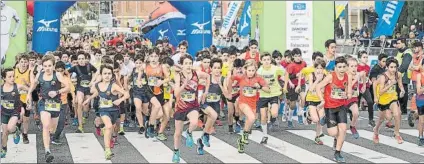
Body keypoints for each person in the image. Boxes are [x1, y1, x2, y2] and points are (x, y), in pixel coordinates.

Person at [172, 55, 216, 162]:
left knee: (194, 122)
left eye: (190, 63)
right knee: (177, 133)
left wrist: (206, 91)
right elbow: (176, 93)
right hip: (181, 107)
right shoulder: (179, 76)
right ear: (182, 65)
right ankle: (176, 152)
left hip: (193, 105)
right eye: (186, 63)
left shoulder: (196, 73)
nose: (188, 66)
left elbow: (208, 76)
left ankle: (189, 132)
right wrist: (185, 84)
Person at [26, 54, 70, 163]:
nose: (47, 68)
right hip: (44, 103)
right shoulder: (40, 75)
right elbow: (33, 84)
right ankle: (47, 151)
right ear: (42, 66)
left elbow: (68, 87)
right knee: (45, 125)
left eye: (50, 66)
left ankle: (49, 137)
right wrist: (28, 94)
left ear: (53, 66)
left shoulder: (58, 75)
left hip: (56, 105)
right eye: (45, 66)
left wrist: (57, 92)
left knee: (52, 129)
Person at [83, 64, 129, 160]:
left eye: (109, 73)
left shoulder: (114, 85)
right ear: (101, 75)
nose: (107, 75)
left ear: (112, 75)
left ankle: (108, 137)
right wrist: (88, 99)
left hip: (115, 110)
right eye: (105, 73)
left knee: (113, 127)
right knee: (108, 126)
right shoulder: (98, 85)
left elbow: (126, 94)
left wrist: (120, 100)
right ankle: (107, 150)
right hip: (103, 110)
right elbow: (97, 92)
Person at [227, 60, 270, 154]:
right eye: (249, 70)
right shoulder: (241, 77)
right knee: (252, 118)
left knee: (250, 121)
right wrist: (229, 92)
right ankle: (244, 135)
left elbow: (268, 90)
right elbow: (230, 79)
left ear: (256, 70)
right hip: (243, 102)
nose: (251, 72)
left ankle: (242, 140)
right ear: (245, 69)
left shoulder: (259, 78)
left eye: (253, 70)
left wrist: (259, 87)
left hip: (253, 103)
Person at [317, 56, 351, 163]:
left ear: (346, 67)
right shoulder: (330, 77)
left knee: (343, 130)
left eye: (343, 67)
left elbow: (348, 91)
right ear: (335, 67)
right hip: (330, 107)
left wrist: (347, 95)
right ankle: (325, 118)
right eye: (339, 67)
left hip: (341, 106)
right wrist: (322, 100)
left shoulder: (347, 76)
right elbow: (318, 87)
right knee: (333, 133)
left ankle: (337, 153)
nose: (341, 69)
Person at [373, 57, 404, 145]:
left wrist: (402, 90)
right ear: (387, 67)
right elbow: (381, 91)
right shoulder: (383, 77)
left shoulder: (398, 74)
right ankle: (376, 130)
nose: (393, 69)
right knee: (384, 119)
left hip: (393, 97)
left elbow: (400, 84)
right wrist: (390, 84)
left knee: (397, 114)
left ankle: (397, 133)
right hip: (383, 99)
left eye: (395, 67)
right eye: (391, 67)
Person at [256, 52, 285, 144]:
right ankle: (265, 136)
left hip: (274, 93)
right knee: (263, 117)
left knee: (274, 113)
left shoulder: (275, 69)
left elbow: (286, 73)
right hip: (263, 95)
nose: (266, 62)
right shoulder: (259, 71)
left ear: (271, 60)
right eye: (264, 60)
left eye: (268, 59)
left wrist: (285, 86)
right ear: (261, 61)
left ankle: (273, 119)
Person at [0, 68, 29, 158]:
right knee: (4, 132)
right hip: (4, 112)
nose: (12, 78)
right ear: (4, 78)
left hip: (15, 111)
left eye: (13, 76)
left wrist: (28, 101)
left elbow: (29, 90)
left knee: (10, 128)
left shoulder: (18, 86)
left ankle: (16, 130)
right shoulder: (1, 88)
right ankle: (4, 148)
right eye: (10, 77)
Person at [303, 58, 326, 145]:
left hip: (320, 100)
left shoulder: (326, 76)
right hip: (311, 99)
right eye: (318, 68)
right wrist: (317, 80)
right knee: (315, 119)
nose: (319, 70)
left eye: (321, 68)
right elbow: (311, 88)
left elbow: (324, 90)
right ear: (315, 68)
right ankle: (308, 115)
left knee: (321, 119)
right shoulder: (311, 75)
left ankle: (317, 137)